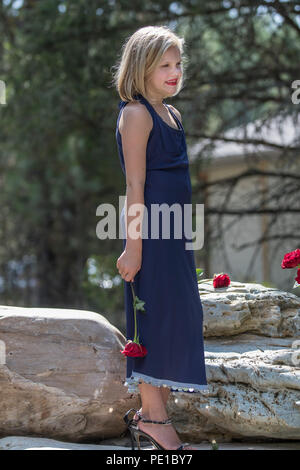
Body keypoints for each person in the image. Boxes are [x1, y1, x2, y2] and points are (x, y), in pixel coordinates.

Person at [113, 25, 208, 450]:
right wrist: (134, 246)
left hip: (176, 236)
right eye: (163, 65)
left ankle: (152, 417)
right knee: (150, 322)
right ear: (142, 67)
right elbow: (135, 185)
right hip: (150, 236)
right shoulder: (136, 114)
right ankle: (154, 417)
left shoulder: (173, 115)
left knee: (179, 320)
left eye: (177, 64)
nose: (174, 72)